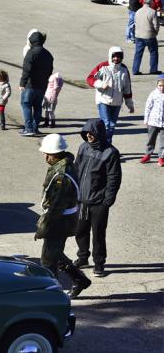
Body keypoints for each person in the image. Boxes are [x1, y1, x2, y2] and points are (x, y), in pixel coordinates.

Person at [36, 134, 91, 298]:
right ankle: (79, 279)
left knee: (47, 259)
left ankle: (50, 293)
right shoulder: (63, 164)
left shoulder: (61, 175)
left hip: (59, 221)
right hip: (63, 219)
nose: (45, 156)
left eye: (47, 153)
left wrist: (42, 229)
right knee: (55, 251)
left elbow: (55, 208)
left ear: (55, 154)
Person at [74, 119, 122, 278]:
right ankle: (82, 257)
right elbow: (76, 170)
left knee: (98, 234)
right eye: (86, 132)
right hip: (82, 199)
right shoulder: (83, 147)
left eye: (91, 132)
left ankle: (99, 263)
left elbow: (114, 178)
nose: (88, 135)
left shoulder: (111, 152)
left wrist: (107, 200)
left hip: (99, 202)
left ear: (99, 133)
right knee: (80, 230)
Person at [86, 47, 134, 143]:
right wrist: (100, 84)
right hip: (103, 100)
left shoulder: (124, 69)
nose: (116, 58)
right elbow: (90, 78)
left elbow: (127, 88)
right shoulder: (103, 66)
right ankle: (105, 145)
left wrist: (130, 105)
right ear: (110, 56)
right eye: (114, 56)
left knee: (112, 125)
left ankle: (107, 144)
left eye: (119, 56)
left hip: (117, 103)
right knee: (106, 124)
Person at [19, 30, 53, 136]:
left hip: (30, 85)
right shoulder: (48, 54)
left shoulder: (31, 53)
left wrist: (22, 83)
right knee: (37, 107)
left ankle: (28, 129)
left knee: (26, 105)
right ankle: (35, 128)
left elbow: (27, 70)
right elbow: (50, 70)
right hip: (42, 86)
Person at [133, 0, 160, 75]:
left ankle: (135, 70)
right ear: (151, 2)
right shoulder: (152, 12)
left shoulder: (138, 11)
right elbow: (156, 25)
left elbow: (135, 23)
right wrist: (155, 33)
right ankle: (153, 70)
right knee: (153, 52)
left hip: (138, 36)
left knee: (138, 54)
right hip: (149, 36)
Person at [140, 74, 164, 165]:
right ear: (157, 85)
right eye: (160, 86)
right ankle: (148, 155)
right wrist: (146, 119)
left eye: (163, 86)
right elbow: (148, 107)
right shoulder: (153, 94)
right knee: (151, 139)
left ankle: (161, 157)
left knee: (163, 141)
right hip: (153, 122)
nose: (162, 88)